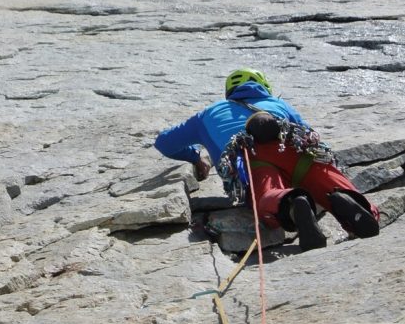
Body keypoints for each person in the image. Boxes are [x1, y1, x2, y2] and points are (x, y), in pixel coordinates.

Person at [154, 68, 380, 251]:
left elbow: (164, 142)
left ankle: (291, 205)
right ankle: (354, 204)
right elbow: (310, 135)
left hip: (253, 158)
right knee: (322, 176)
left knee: (268, 193)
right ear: (263, 86)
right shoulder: (279, 105)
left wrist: (195, 157)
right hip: (293, 147)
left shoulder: (209, 113)